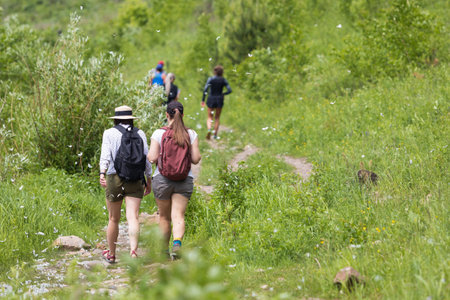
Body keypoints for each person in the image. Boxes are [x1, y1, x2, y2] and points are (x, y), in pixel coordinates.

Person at [148, 101, 201, 259]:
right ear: (183, 115)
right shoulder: (191, 134)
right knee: (178, 215)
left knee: (164, 217)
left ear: (167, 115)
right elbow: (196, 159)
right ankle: (177, 244)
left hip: (162, 180)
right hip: (184, 180)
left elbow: (151, 158)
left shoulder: (159, 133)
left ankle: (164, 251)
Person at [99, 105, 152, 263]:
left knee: (113, 218)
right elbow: (146, 158)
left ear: (116, 119)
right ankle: (133, 252)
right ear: (131, 118)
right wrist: (148, 178)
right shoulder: (140, 133)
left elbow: (105, 155)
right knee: (133, 217)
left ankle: (112, 254)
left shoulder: (109, 133)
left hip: (114, 178)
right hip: (135, 177)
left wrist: (102, 173)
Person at [201, 65, 232, 140]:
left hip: (211, 98)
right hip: (219, 99)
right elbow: (229, 90)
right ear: (222, 72)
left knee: (209, 117)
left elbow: (205, 89)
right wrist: (223, 94)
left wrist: (203, 100)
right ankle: (215, 134)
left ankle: (209, 129)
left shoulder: (210, 79)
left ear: (214, 72)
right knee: (217, 117)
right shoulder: (223, 80)